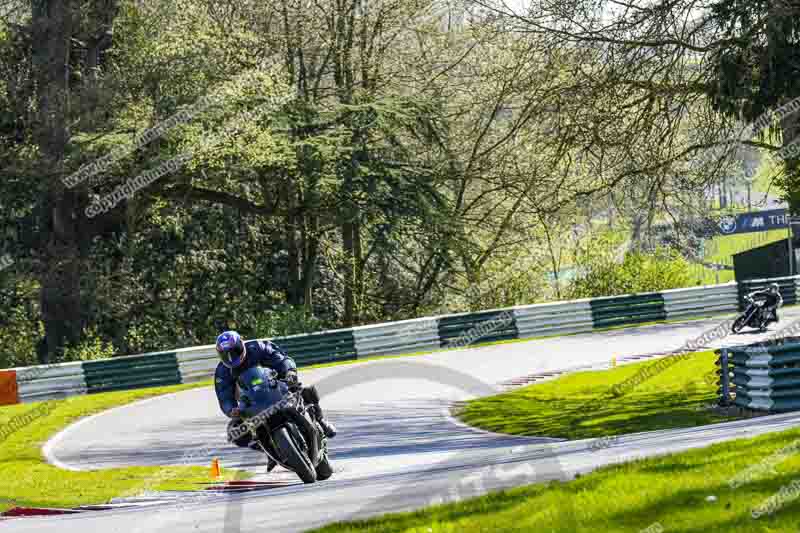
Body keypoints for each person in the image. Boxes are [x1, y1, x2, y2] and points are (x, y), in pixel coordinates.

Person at [213, 331, 337, 466]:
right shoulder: (222, 371)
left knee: (305, 390)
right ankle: (266, 448)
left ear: (241, 343)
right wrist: (231, 410)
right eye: (226, 355)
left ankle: (320, 420)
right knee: (234, 432)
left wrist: (289, 372)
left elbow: (280, 358)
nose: (231, 358)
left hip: (275, 386)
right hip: (250, 402)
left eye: (234, 351)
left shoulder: (258, 347)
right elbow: (224, 396)